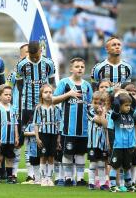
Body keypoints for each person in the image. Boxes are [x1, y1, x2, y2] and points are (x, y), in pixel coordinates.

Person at [53, 57, 93, 186]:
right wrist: (68, 94)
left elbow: (90, 104)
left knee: (81, 153)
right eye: (77, 66)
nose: (79, 69)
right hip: (68, 127)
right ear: (71, 69)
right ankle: (68, 177)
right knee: (68, 153)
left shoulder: (87, 85)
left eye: (82, 67)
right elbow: (53, 100)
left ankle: (80, 178)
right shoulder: (64, 83)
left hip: (84, 128)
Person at [16, 41, 55, 130]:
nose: (34, 59)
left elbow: (52, 83)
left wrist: (51, 100)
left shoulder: (49, 63)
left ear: (41, 51)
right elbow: (19, 86)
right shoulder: (21, 64)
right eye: (32, 57)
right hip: (28, 104)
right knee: (25, 131)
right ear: (28, 52)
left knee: (43, 129)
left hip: (44, 104)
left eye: (36, 57)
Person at [107, 91, 136, 192]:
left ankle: (128, 185)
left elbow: (134, 102)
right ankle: (112, 185)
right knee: (115, 167)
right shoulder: (115, 115)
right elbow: (115, 104)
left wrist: (127, 93)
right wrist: (117, 95)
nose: (129, 107)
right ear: (119, 106)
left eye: (129, 105)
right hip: (118, 146)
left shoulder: (131, 114)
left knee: (127, 167)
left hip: (129, 146)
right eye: (126, 105)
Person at [33, 84, 60, 187]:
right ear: (41, 95)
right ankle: (43, 178)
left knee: (51, 157)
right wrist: (37, 138)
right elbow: (36, 124)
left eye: (50, 92)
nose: (48, 94)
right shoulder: (38, 108)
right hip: (43, 135)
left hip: (53, 134)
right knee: (43, 157)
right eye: (46, 92)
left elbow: (58, 123)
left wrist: (58, 138)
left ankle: (49, 178)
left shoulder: (56, 108)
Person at [0, 85, 19, 184]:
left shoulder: (12, 108)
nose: (8, 96)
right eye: (6, 94)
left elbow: (15, 123)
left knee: (10, 158)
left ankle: (9, 177)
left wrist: (16, 137)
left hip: (11, 139)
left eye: (10, 95)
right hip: (1, 139)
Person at [87, 91, 109, 190]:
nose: (97, 105)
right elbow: (98, 120)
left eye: (100, 103)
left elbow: (105, 124)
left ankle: (103, 183)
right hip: (93, 142)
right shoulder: (90, 111)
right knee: (93, 163)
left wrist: (103, 112)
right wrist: (101, 114)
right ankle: (91, 182)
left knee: (101, 163)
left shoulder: (107, 112)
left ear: (104, 103)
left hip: (103, 143)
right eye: (95, 103)